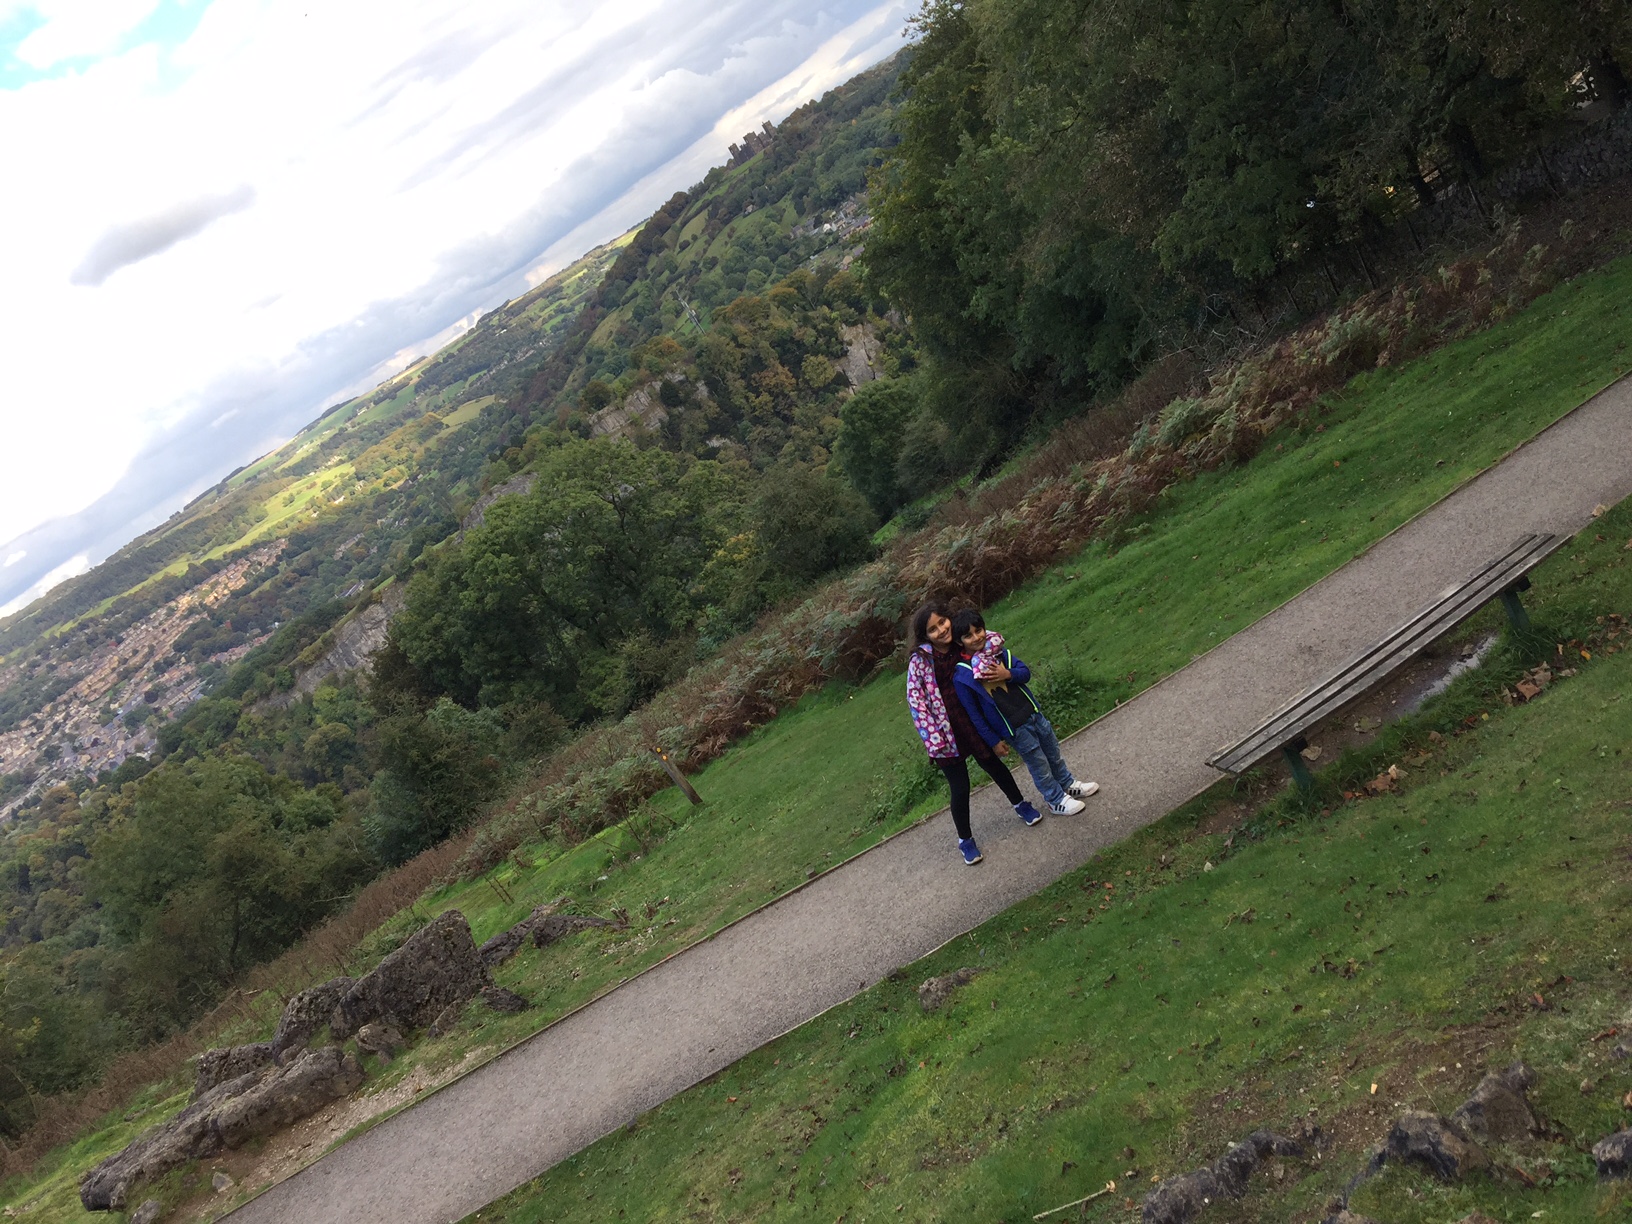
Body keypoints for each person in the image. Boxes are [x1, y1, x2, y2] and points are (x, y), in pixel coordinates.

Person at [906, 600, 1043, 865]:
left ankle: (1020, 804)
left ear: (949, 618)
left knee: (995, 766)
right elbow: (916, 701)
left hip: (972, 720)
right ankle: (965, 840)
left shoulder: (961, 643)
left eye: (943, 622)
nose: (941, 630)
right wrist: (933, 739)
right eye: (933, 629)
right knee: (960, 787)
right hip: (945, 734)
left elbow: (988, 638)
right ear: (925, 635)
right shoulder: (921, 661)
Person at [950, 608, 1098, 816]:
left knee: (1052, 752)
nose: (976, 637)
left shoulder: (999, 652)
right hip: (1013, 726)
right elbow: (975, 715)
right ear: (960, 641)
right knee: (1038, 763)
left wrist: (1007, 674)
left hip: (1032, 713)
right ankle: (1055, 799)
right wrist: (993, 741)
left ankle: (1067, 783)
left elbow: (1025, 673)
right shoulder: (963, 676)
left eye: (978, 630)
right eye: (968, 635)